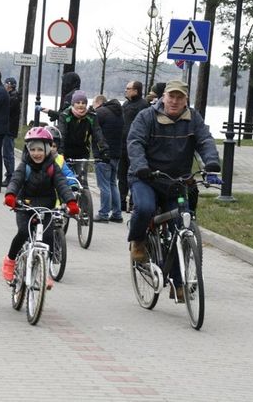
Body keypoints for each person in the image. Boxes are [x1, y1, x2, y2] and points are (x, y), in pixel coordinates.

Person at [127, 79, 220, 301]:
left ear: (186, 100)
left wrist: (212, 164)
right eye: (171, 96)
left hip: (176, 181)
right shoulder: (147, 116)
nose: (175, 101)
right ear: (164, 97)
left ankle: (179, 284)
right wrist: (141, 167)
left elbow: (205, 141)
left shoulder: (193, 119)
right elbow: (135, 142)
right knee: (145, 207)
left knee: (182, 226)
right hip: (147, 177)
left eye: (180, 97)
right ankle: (138, 241)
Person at [1, 127, 79, 283]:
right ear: (28, 150)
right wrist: (10, 195)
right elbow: (16, 180)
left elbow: (62, 183)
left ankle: (46, 271)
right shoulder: (25, 166)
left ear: (48, 149)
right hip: (25, 206)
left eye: (40, 149)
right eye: (33, 149)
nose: (36, 153)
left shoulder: (52, 167)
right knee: (23, 232)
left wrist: (71, 201)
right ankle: (10, 260)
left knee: (49, 237)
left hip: (46, 207)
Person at [57, 90, 110, 186]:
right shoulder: (65, 115)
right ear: (73, 103)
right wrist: (60, 151)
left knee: (83, 183)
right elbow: (62, 134)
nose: (81, 105)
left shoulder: (91, 116)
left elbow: (98, 133)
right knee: (65, 181)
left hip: (82, 153)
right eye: (78, 102)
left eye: (83, 103)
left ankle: (86, 199)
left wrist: (104, 150)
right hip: (66, 152)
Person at [91, 94, 124, 223]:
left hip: (103, 153)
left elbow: (93, 129)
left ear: (98, 102)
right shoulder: (118, 112)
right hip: (116, 153)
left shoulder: (101, 112)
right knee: (112, 184)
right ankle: (117, 213)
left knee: (104, 185)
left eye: (93, 104)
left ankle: (104, 213)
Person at [119, 80, 148, 213]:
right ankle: (121, 201)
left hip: (135, 146)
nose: (126, 90)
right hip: (123, 145)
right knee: (122, 175)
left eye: (128, 88)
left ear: (136, 91)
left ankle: (133, 202)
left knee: (134, 175)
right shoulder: (125, 104)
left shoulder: (143, 106)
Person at [2, 77, 21, 187]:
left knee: (8, 154)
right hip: (10, 128)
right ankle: (9, 175)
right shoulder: (13, 96)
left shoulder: (12, 98)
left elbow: (5, 110)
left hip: (9, 129)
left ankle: (10, 176)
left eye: (5, 84)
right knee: (7, 153)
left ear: (9, 85)